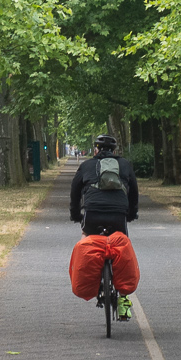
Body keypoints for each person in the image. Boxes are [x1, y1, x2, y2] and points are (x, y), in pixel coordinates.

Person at [68, 133, 140, 318]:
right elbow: (134, 194)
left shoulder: (86, 165)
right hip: (118, 215)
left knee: (86, 240)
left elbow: (75, 192)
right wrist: (131, 213)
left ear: (96, 150)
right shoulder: (124, 165)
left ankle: (90, 279)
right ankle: (124, 299)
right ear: (115, 151)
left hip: (92, 214)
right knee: (122, 245)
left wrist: (76, 215)